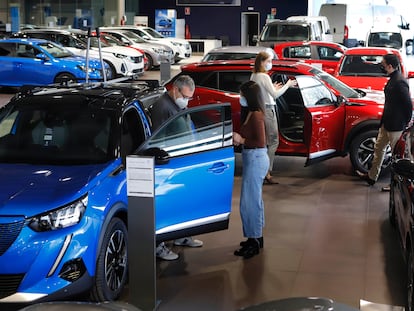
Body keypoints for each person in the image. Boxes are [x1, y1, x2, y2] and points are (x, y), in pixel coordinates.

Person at [150, 74, 203, 261]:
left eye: (190, 97)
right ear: (175, 89)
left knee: (183, 203)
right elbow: (159, 140)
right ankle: (159, 245)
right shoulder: (162, 107)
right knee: (166, 206)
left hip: (182, 162)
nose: (187, 101)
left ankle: (181, 236)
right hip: (168, 165)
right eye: (185, 96)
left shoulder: (176, 104)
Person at [357, 53, 413, 191]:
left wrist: (405, 122)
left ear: (390, 66)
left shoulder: (399, 81)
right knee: (378, 149)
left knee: (395, 157)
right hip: (386, 123)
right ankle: (371, 176)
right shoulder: (393, 78)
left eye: (383, 64)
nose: (381, 66)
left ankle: (394, 185)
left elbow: (407, 105)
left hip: (396, 126)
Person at [233, 80, 269, 259]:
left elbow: (261, 142)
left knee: (250, 202)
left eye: (242, 95)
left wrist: (241, 141)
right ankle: (255, 236)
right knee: (253, 200)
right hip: (252, 158)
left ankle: (253, 240)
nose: (240, 98)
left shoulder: (256, 115)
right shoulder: (253, 113)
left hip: (255, 158)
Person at [250, 51, 297, 184]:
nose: (270, 64)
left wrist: (272, 88)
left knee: (264, 142)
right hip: (268, 110)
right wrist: (287, 85)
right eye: (269, 61)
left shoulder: (254, 75)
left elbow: (261, 92)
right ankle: (267, 171)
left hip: (260, 109)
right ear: (262, 62)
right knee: (273, 141)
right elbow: (275, 95)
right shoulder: (264, 76)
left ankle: (263, 169)